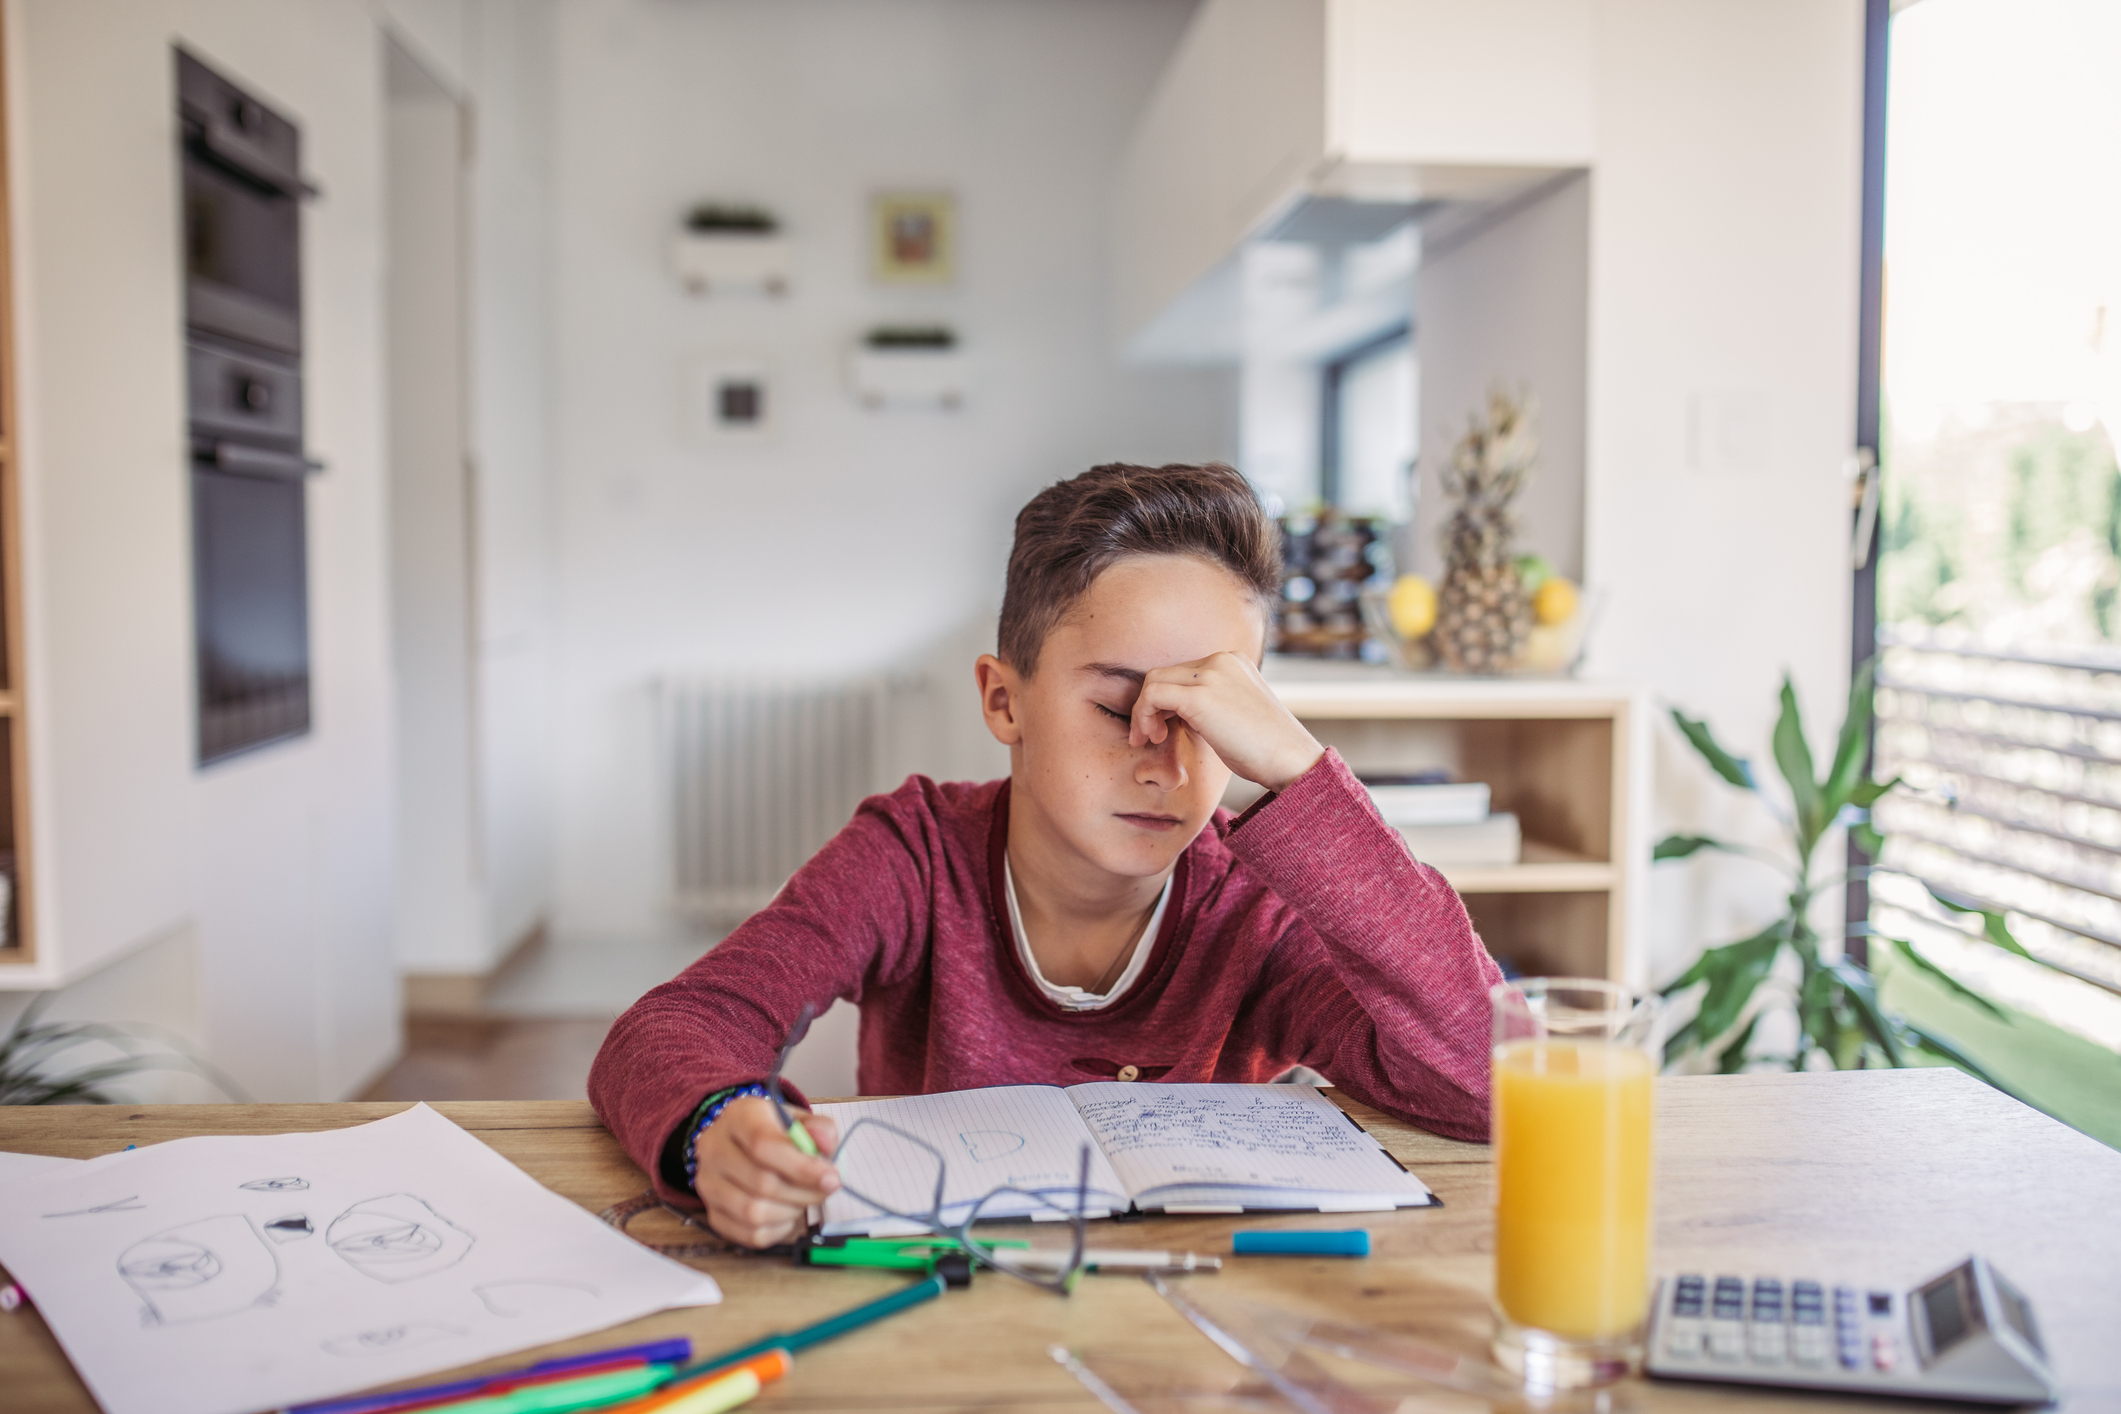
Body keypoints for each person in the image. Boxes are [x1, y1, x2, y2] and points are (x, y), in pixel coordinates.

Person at [588, 462, 1503, 1249]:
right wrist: (716, 1126)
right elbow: (675, 1026)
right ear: (1004, 702)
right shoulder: (912, 858)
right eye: (1119, 710)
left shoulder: (1257, 904)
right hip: (950, 1309)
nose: (1169, 766)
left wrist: (1304, 778)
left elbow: (1497, 1085)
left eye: (1215, 721)